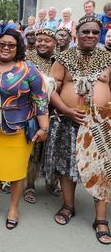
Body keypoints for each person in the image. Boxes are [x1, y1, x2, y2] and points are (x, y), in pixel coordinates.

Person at [43, 16, 111, 245]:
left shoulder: (108, 59)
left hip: (101, 126)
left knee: (101, 171)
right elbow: (51, 88)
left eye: (94, 32)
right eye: (85, 32)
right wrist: (66, 109)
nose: (90, 35)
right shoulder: (63, 58)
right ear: (77, 34)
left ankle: (101, 220)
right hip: (68, 122)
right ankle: (68, 206)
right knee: (67, 166)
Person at [0, 28, 48, 230]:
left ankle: (13, 208)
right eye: (2, 44)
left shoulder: (28, 69)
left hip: (19, 128)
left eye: (11, 45)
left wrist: (44, 127)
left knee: (17, 171)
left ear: (18, 48)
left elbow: (40, 99)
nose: (6, 48)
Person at [24, 28, 59, 204]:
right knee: (34, 150)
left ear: (55, 43)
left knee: (53, 149)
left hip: (57, 112)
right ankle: (30, 185)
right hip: (34, 112)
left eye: (47, 41)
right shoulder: (27, 59)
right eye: (39, 40)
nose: (42, 43)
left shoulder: (60, 60)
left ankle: (52, 182)